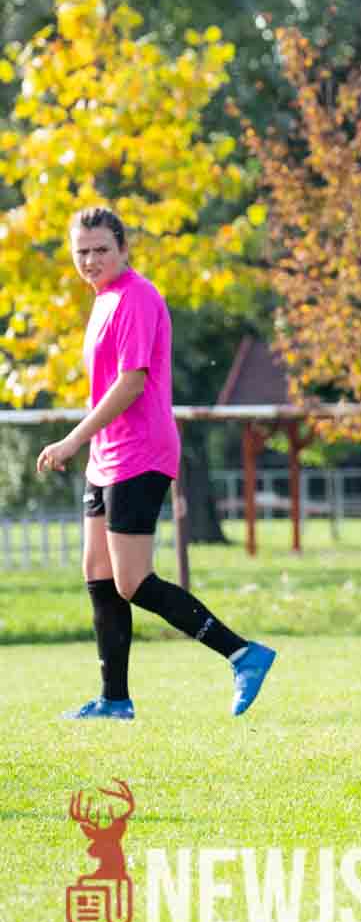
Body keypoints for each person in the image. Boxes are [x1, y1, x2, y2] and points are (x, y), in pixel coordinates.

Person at [39, 207, 276, 721]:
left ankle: (243, 653)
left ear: (123, 248)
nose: (90, 260)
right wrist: (90, 445)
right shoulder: (102, 299)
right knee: (99, 574)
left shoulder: (137, 297)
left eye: (101, 250)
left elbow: (132, 383)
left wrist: (73, 439)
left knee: (132, 581)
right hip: (106, 456)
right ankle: (114, 700)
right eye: (82, 251)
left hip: (139, 452)